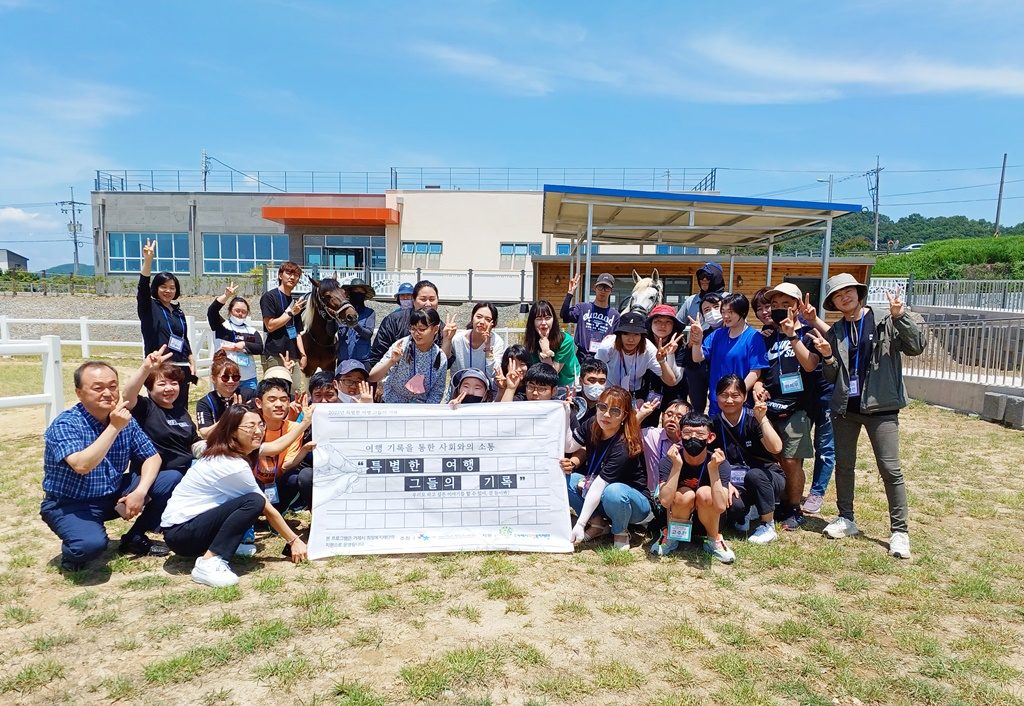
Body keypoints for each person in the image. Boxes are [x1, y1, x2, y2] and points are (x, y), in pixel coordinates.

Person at [806, 274, 924, 559]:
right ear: (834, 303)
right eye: (838, 295)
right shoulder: (837, 330)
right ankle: (846, 518)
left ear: (859, 293)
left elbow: (916, 346)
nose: (844, 297)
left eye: (848, 291)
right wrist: (827, 356)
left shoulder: (885, 320)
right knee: (844, 466)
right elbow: (832, 376)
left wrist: (901, 316)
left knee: (890, 469)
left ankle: (900, 531)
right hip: (846, 409)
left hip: (882, 408)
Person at [41, 361, 182, 571]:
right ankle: (76, 546)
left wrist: (140, 492)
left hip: (112, 492)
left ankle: (134, 537)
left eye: (113, 386)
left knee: (170, 479)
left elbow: (152, 457)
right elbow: (82, 465)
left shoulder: (123, 419)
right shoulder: (66, 424)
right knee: (89, 547)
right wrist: (114, 427)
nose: (108, 393)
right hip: (71, 503)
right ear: (79, 393)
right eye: (98, 388)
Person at [161, 405, 308, 588]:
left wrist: (304, 423)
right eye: (250, 426)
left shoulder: (227, 448)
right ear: (232, 431)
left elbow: (275, 447)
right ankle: (209, 563)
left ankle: (225, 545)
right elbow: (266, 508)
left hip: (186, 528)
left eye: (261, 425)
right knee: (254, 501)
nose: (258, 431)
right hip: (182, 534)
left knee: (250, 499)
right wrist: (294, 540)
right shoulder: (231, 464)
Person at [750, 283, 822, 531]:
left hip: (797, 408)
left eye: (786, 304)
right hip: (769, 407)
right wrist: (758, 384)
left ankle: (794, 507)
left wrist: (793, 335)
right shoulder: (768, 336)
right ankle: (779, 502)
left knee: (791, 460)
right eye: (775, 305)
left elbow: (810, 365)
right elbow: (760, 370)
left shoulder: (809, 333)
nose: (779, 309)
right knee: (774, 458)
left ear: (798, 306)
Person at [562, 386, 653, 550]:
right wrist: (568, 414)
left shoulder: (624, 444)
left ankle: (620, 530)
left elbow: (599, 485)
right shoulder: (593, 424)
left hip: (634, 505)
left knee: (613, 491)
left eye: (615, 411)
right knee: (567, 479)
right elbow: (569, 446)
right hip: (603, 497)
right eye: (602, 407)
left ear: (624, 416)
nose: (606, 414)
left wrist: (580, 523)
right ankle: (598, 525)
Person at [651, 412, 735, 563]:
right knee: (685, 494)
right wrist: (677, 466)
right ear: (679, 434)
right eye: (687, 433)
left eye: (700, 434)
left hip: (709, 520)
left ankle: (713, 540)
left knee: (705, 493)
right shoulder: (670, 460)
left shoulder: (719, 463)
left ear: (710, 437)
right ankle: (672, 537)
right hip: (676, 517)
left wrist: (713, 470)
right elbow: (665, 501)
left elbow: (721, 506)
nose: (693, 438)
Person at [712, 375, 785, 546]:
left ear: (744, 397)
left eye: (735, 395)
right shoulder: (713, 423)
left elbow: (776, 448)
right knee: (735, 507)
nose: (729, 400)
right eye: (724, 395)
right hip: (734, 482)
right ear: (716, 397)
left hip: (767, 477)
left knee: (755, 475)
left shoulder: (754, 417)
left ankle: (767, 525)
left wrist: (762, 419)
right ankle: (748, 511)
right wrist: (725, 483)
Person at [122, 347, 200, 476]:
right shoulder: (145, 407)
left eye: (174, 383)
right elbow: (127, 395)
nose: (169, 388)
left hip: (188, 469)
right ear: (150, 389)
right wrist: (145, 369)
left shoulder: (181, 412)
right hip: (159, 474)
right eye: (162, 384)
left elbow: (194, 442)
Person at [690, 293, 769, 417]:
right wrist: (697, 340)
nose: (726, 316)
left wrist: (735, 394)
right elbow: (697, 357)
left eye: (731, 312)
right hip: (717, 402)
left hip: (740, 403)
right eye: (723, 312)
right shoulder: (717, 334)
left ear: (742, 312)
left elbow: (755, 372)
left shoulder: (754, 337)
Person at [137, 239, 194, 408]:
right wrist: (148, 261)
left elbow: (184, 339)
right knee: (160, 408)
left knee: (180, 408)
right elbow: (142, 288)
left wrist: (191, 359)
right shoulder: (150, 307)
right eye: (163, 287)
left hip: (181, 367)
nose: (168, 291)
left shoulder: (178, 312)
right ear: (156, 288)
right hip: (159, 367)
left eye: (172, 287)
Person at [277, 371, 340, 512]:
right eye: (318, 395)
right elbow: (287, 441)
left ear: (338, 394)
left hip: (339, 466)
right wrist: (298, 418)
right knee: (304, 476)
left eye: (329, 395)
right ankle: (314, 512)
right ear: (311, 396)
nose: (324, 401)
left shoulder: (348, 412)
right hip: (310, 466)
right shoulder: (304, 414)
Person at [595, 312, 680, 402]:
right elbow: (595, 372)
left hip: (634, 393)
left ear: (642, 336)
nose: (631, 339)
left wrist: (662, 361)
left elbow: (671, 381)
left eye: (636, 334)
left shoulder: (649, 350)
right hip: (608, 391)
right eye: (626, 333)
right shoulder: (607, 347)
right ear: (619, 335)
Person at [370, 307, 449, 404]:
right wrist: (391, 361)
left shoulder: (440, 356)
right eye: (413, 329)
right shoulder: (401, 346)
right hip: (393, 403)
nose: (416, 333)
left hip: (421, 408)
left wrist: (426, 411)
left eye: (422, 329)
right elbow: (372, 377)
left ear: (435, 329)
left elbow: (437, 391)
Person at [367, 280, 442, 369]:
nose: (428, 304)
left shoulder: (442, 327)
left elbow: (444, 363)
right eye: (423, 299)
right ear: (413, 300)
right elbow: (377, 355)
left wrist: (448, 340)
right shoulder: (393, 320)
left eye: (432, 299)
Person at [260, 261, 307, 393]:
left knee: (294, 391)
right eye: (289, 273)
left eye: (296, 275)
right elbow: (270, 325)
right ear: (280, 275)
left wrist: (303, 354)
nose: (292, 277)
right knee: (275, 391)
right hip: (275, 353)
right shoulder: (269, 297)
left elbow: (297, 332)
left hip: (293, 355)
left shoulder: (294, 302)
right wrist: (291, 313)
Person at [207, 282, 264, 391]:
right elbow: (212, 311)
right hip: (226, 378)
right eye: (237, 310)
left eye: (244, 312)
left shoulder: (252, 331)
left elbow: (259, 348)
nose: (240, 314)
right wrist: (226, 295)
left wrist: (241, 345)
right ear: (230, 310)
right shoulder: (221, 326)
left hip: (248, 378)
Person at [642, 304, 689, 426]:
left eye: (668, 322)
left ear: (673, 326)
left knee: (673, 427)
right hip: (649, 391)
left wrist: (671, 354)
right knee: (646, 427)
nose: (662, 325)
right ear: (650, 324)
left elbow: (676, 379)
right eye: (657, 321)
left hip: (675, 392)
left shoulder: (680, 346)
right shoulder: (643, 343)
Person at [560, 271, 620, 362]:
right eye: (600, 287)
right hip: (581, 358)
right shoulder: (582, 308)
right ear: (594, 288)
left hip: (603, 359)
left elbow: (618, 340)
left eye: (606, 288)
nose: (603, 291)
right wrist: (570, 293)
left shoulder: (615, 315)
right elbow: (564, 315)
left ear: (611, 291)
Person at [196, 351, 256, 439]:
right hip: (220, 442)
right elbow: (205, 434)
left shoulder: (250, 394)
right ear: (213, 379)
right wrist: (230, 414)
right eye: (225, 377)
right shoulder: (205, 402)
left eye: (235, 377)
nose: (231, 381)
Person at [681, 292, 724, 414]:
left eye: (716, 307)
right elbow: (692, 361)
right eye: (707, 310)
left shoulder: (737, 332)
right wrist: (692, 343)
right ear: (703, 316)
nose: (712, 312)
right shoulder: (704, 335)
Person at [641, 398, 692, 496]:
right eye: (669, 414)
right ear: (663, 416)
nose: (672, 419)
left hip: (681, 497)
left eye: (679, 417)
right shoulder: (651, 434)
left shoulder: (693, 442)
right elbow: (625, 434)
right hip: (652, 495)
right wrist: (641, 415)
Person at [449, 302, 506, 389]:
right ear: (472, 318)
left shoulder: (497, 342)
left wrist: (488, 349)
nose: (482, 322)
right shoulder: (458, 340)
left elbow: (494, 374)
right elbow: (455, 373)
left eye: (488, 319)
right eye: (479, 317)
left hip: (487, 392)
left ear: (493, 324)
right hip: (462, 390)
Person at [524, 300, 581, 387]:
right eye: (539, 318)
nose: (543, 323)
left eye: (547, 318)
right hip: (542, 383)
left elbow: (552, 373)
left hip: (567, 383)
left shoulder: (566, 340)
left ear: (553, 319)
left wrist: (545, 350)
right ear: (532, 321)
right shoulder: (531, 341)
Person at [336, 278, 376, 370]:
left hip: (363, 361)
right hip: (343, 360)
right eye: (355, 291)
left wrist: (355, 325)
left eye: (361, 292)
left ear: (364, 294)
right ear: (350, 293)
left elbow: (368, 334)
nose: (358, 294)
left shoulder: (369, 313)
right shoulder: (341, 313)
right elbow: (331, 332)